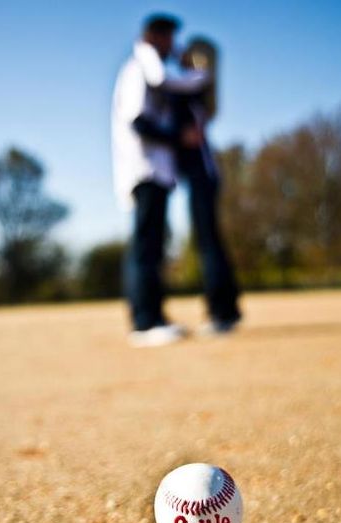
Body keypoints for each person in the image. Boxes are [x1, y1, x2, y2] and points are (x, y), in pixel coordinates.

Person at [112, 14, 210, 347]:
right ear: (155, 37)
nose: (173, 45)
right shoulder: (138, 70)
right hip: (144, 169)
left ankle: (155, 316)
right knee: (145, 246)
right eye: (169, 38)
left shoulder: (158, 75)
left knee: (155, 246)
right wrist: (178, 138)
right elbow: (138, 122)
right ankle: (144, 323)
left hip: (159, 171)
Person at [175, 39, 241, 333]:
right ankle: (227, 309)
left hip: (202, 173)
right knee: (210, 241)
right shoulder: (197, 94)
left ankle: (221, 312)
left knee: (208, 243)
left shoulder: (193, 89)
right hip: (201, 174)